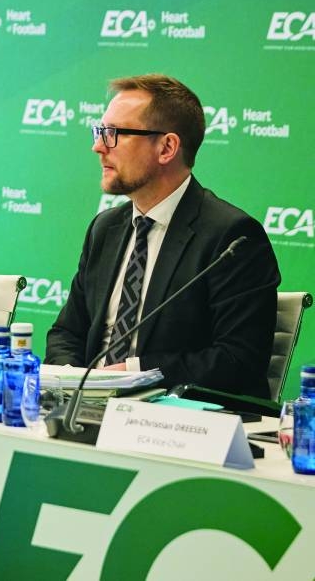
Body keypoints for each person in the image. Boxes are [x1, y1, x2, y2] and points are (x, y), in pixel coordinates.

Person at [46, 74, 280, 398]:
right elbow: (66, 333)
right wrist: (75, 382)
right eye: (100, 132)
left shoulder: (232, 237)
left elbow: (238, 361)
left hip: (174, 423)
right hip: (87, 410)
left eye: (114, 134)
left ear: (167, 147)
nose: (98, 146)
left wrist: (132, 373)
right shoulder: (105, 228)